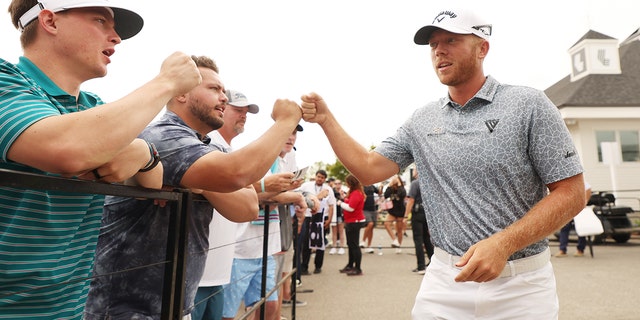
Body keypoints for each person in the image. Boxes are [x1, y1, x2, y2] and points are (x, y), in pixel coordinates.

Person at [300, 8, 585, 319]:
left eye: (451, 40)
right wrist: (326, 120)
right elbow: (369, 168)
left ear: (482, 48)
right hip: (445, 281)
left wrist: (504, 243)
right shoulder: (422, 120)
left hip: (521, 286)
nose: (439, 50)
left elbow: (571, 192)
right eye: (433, 44)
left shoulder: (528, 104)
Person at [0, 1, 202, 318]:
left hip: (71, 310)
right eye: (100, 21)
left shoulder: (93, 107)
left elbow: (154, 182)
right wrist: (167, 82)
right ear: (50, 21)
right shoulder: (4, 80)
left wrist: (145, 155)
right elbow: (67, 149)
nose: (116, 37)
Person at [85, 56, 303, 319]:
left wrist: (201, 186)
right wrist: (284, 122)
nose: (223, 97)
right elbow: (237, 173)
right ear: (182, 94)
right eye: (214, 89)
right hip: (125, 308)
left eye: (223, 90)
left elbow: (246, 207)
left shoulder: (208, 145)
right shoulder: (163, 135)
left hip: (172, 303)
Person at [221, 124, 309, 320]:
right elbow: (263, 196)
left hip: (265, 247)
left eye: (294, 133)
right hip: (240, 249)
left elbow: (277, 194)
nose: (291, 137)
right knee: (227, 313)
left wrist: (297, 194)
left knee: (269, 307)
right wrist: (296, 197)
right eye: (287, 131)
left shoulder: (285, 161)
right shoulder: (258, 160)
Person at [191, 89, 259, 320]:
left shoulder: (228, 150)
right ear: (222, 108)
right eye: (238, 109)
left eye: (246, 111)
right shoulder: (205, 143)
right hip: (197, 274)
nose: (244, 115)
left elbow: (249, 194)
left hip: (218, 271)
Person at [298, 170, 334, 275]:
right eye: (318, 176)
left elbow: (331, 205)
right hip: (308, 216)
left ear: (325, 179)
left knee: (320, 242)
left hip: (322, 217)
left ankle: (318, 266)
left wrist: (329, 219)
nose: (320, 179)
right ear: (315, 176)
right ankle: (304, 266)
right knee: (306, 243)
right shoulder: (306, 186)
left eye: (322, 177)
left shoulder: (329, 189)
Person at [404, 170, 434, 274]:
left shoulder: (415, 183)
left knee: (418, 240)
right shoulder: (430, 182)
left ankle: (421, 266)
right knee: (427, 239)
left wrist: (406, 215)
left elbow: (411, 200)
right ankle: (432, 263)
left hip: (418, 213)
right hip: (428, 213)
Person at [337, 174, 366, 276]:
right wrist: (344, 198)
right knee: (351, 245)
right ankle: (350, 265)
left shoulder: (356, 193)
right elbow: (350, 202)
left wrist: (340, 203)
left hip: (354, 222)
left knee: (354, 245)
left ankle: (357, 268)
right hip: (351, 221)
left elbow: (351, 208)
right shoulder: (355, 193)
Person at [555, 182, 592, 258]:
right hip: (569, 209)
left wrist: (585, 202)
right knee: (564, 228)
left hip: (579, 209)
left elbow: (588, 188)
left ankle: (580, 249)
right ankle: (562, 250)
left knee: (580, 229)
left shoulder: (581, 182)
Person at [383, 175, 407, 253]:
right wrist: (390, 185)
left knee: (399, 230)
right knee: (386, 224)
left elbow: (402, 194)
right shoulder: (391, 188)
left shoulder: (401, 189)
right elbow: (386, 195)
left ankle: (399, 246)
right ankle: (395, 240)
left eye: (395, 178)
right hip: (392, 211)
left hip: (400, 211)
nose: (393, 179)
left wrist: (399, 183)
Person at [328, 178, 346, 255]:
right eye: (336, 183)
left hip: (341, 214)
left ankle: (342, 246)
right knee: (334, 231)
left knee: (341, 231)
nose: (337, 185)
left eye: (339, 183)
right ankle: (334, 246)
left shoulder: (344, 192)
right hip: (334, 214)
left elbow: (345, 200)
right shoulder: (332, 192)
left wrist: (342, 197)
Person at [361, 184, 381, 253]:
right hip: (365, 209)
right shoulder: (361, 185)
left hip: (373, 208)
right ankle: (363, 241)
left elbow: (379, 192)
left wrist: (381, 187)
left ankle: (369, 246)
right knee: (370, 224)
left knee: (371, 228)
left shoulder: (372, 186)